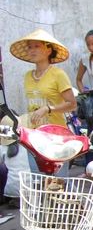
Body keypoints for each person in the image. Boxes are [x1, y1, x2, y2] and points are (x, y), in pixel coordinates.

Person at [9, 30, 77, 162]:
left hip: (55, 136)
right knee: (37, 179)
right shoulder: (28, 76)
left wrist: (48, 108)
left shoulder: (58, 74)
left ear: (48, 50)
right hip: (34, 136)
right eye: (29, 47)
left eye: (37, 46)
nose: (32, 50)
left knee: (56, 181)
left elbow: (72, 104)